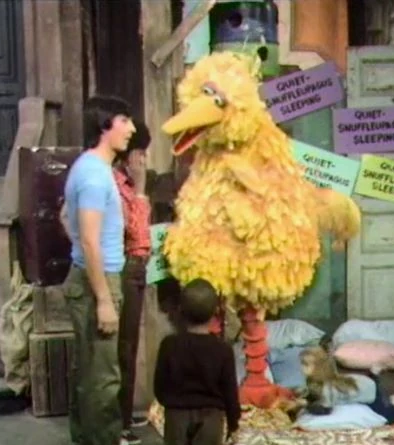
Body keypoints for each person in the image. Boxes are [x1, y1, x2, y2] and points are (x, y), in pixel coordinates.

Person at [62, 95, 135, 445]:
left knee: (89, 372)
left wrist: (81, 246)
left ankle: (84, 439)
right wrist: (104, 299)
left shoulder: (90, 167)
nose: (131, 129)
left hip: (90, 275)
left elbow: (66, 217)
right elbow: (91, 240)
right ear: (105, 125)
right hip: (98, 280)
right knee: (104, 378)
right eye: (124, 120)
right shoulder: (94, 174)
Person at [154, 279, 241, 445]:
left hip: (176, 416)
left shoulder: (169, 345)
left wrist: (169, 403)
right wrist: (233, 423)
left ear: (180, 310)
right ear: (215, 312)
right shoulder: (222, 350)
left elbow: (159, 385)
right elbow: (230, 391)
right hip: (211, 419)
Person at [114, 120, 152, 445]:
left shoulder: (125, 183)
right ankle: (120, 425)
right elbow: (136, 234)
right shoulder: (117, 185)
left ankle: (124, 417)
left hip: (136, 270)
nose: (144, 160)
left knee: (129, 346)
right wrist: (140, 190)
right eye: (141, 152)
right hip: (125, 269)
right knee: (123, 350)